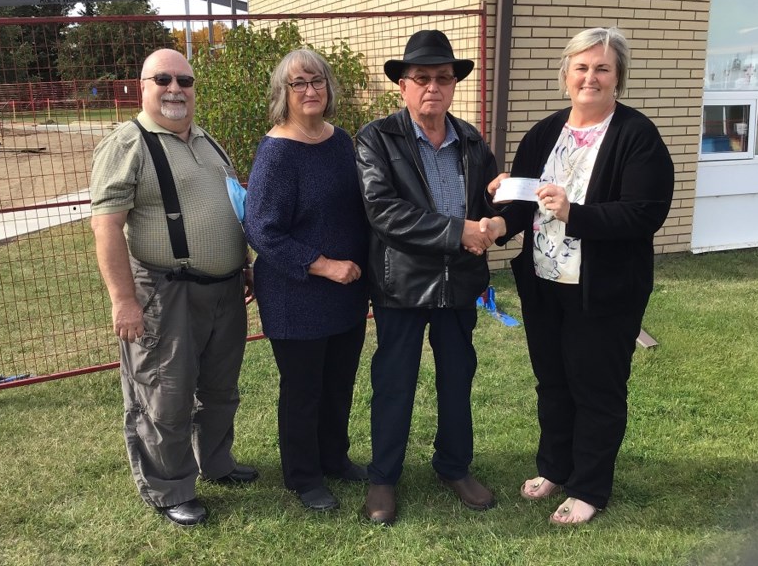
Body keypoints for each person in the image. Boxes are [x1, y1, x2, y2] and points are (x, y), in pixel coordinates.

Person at [487, 27, 675, 525]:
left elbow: (644, 213)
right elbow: (524, 205)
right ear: (567, 74)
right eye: (582, 67)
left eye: (603, 68)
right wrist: (497, 215)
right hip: (544, 282)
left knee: (597, 387)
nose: (590, 77)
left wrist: (577, 213)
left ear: (618, 78)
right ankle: (555, 467)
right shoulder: (545, 133)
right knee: (552, 381)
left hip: (605, 289)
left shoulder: (637, 136)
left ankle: (589, 486)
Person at [89, 48, 259, 527]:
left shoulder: (207, 141)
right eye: (162, 79)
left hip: (225, 288)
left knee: (220, 389)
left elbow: (231, 206)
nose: (175, 88)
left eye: (184, 80)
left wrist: (242, 263)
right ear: (142, 86)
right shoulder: (129, 143)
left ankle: (217, 463)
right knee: (165, 392)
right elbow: (106, 227)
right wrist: (124, 300)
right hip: (165, 292)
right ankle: (169, 488)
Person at [354, 30, 506, 526]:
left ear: (453, 84)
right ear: (403, 84)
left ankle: (454, 466)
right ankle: (383, 478)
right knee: (394, 383)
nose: (432, 87)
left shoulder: (471, 140)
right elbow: (383, 211)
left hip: (460, 285)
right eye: (421, 78)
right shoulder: (377, 138)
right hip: (402, 284)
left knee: (457, 379)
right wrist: (456, 230)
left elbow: (483, 208)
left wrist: (497, 201)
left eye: (443, 78)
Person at [243, 49, 371, 513]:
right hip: (297, 293)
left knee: (338, 383)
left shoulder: (341, 142)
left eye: (317, 81)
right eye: (298, 83)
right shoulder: (277, 151)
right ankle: (304, 476)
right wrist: (322, 264)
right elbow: (261, 227)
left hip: (347, 291)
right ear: (284, 94)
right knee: (303, 392)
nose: (310, 91)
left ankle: (334, 458)